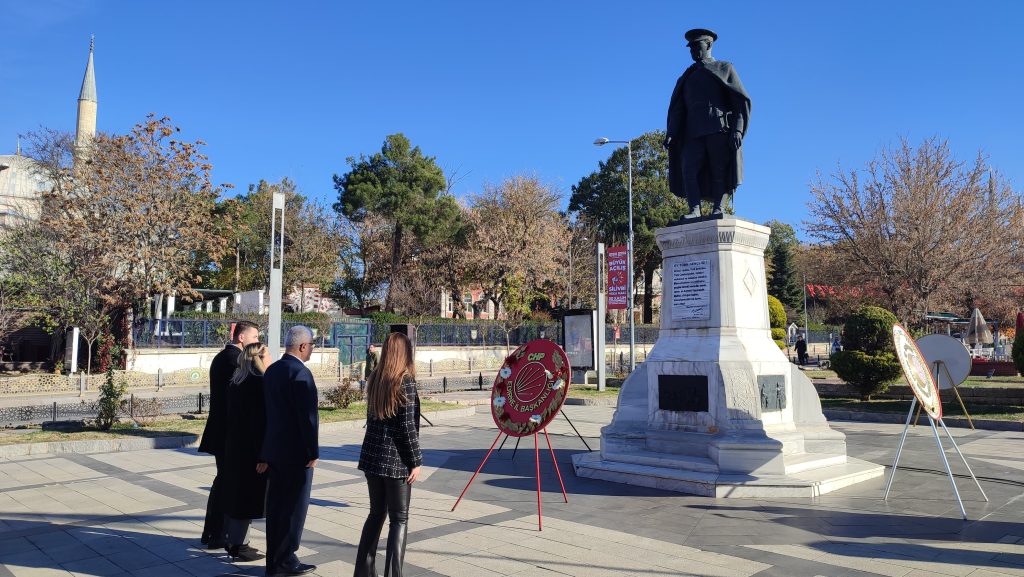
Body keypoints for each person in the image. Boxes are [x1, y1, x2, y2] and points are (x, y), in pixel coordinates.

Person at [353, 332, 422, 577]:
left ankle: (363, 571)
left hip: (372, 457)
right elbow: (407, 427)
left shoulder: (375, 378)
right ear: (406, 353)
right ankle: (394, 574)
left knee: (376, 514)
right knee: (399, 519)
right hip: (396, 461)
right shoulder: (405, 381)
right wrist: (416, 461)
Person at [665, 28, 751, 222]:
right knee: (688, 169)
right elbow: (679, 108)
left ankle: (718, 207)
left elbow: (740, 101)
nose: (693, 50)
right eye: (691, 47)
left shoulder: (724, 68)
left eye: (697, 45)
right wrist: (672, 132)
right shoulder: (687, 77)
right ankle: (694, 209)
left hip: (718, 129)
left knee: (718, 169)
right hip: (692, 132)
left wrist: (737, 129)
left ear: (709, 45)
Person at [261, 325, 319, 577]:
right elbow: (307, 418)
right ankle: (285, 561)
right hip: (297, 454)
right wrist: (312, 451)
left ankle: (275, 560)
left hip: (274, 451)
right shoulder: (301, 374)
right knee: (294, 508)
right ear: (303, 346)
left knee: (276, 508)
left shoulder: (272, 370)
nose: (312, 350)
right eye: (312, 345)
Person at [199, 320, 260, 549]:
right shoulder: (234, 360)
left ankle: (214, 533)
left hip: (222, 431)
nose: (257, 341)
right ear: (242, 338)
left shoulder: (223, 357)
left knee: (223, 481)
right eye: (254, 337)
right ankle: (218, 534)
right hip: (227, 434)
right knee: (227, 483)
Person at [221, 342, 271, 562]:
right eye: (267, 354)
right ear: (259, 358)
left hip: (235, 448)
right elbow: (259, 424)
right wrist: (263, 456)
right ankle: (239, 546)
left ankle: (234, 542)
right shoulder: (259, 384)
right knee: (246, 499)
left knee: (237, 496)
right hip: (252, 452)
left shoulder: (236, 382)